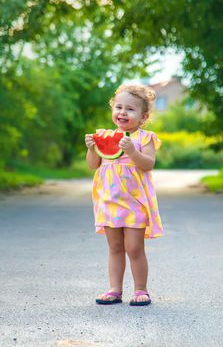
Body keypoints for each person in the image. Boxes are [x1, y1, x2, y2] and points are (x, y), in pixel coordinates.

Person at [85, 84, 164, 306]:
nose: (122, 112)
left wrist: (131, 151)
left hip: (135, 203)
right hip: (109, 202)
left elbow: (148, 164)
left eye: (130, 109)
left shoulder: (145, 137)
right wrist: (92, 149)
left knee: (134, 247)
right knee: (115, 247)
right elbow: (93, 165)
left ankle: (141, 290)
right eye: (118, 107)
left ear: (143, 116)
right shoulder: (105, 136)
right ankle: (114, 289)